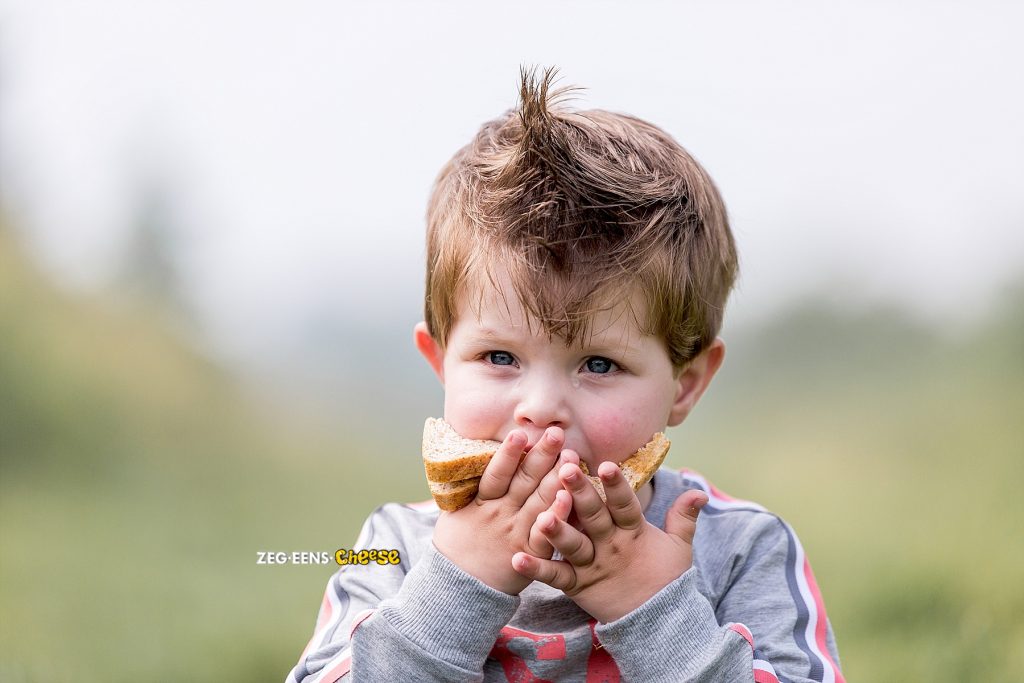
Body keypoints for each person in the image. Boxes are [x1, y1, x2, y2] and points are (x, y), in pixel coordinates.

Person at [286, 67, 844, 683]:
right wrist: (454, 587)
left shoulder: (740, 548)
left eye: (599, 364)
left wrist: (654, 611)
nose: (541, 407)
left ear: (685, 384)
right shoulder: (392, 544)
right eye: (500, 358)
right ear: (440, 362)